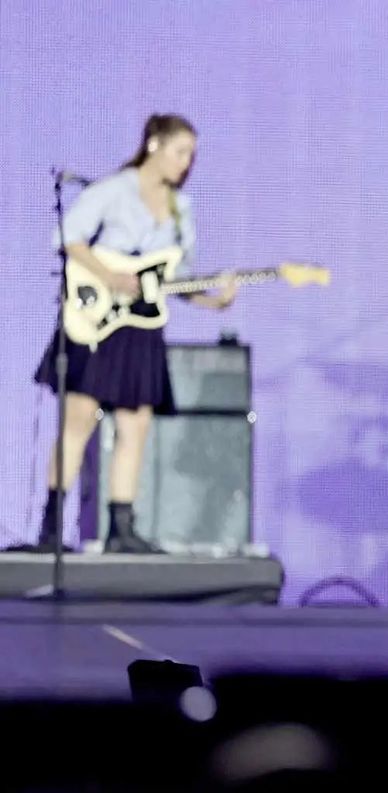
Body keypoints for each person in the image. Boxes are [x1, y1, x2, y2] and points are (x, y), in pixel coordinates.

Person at [14, 113, 236, 555]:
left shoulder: (181, 209)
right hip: (98, 317)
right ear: (154, 144)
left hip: (142, 327)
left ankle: (122, 527)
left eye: (192, 154)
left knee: (136, 425)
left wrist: (216, 300)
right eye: (180, 151)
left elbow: (179, 279)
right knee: (78, 420)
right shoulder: (113, 190)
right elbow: (69, 237)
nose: (187, 162)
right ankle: (51, 529)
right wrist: (109, 277)